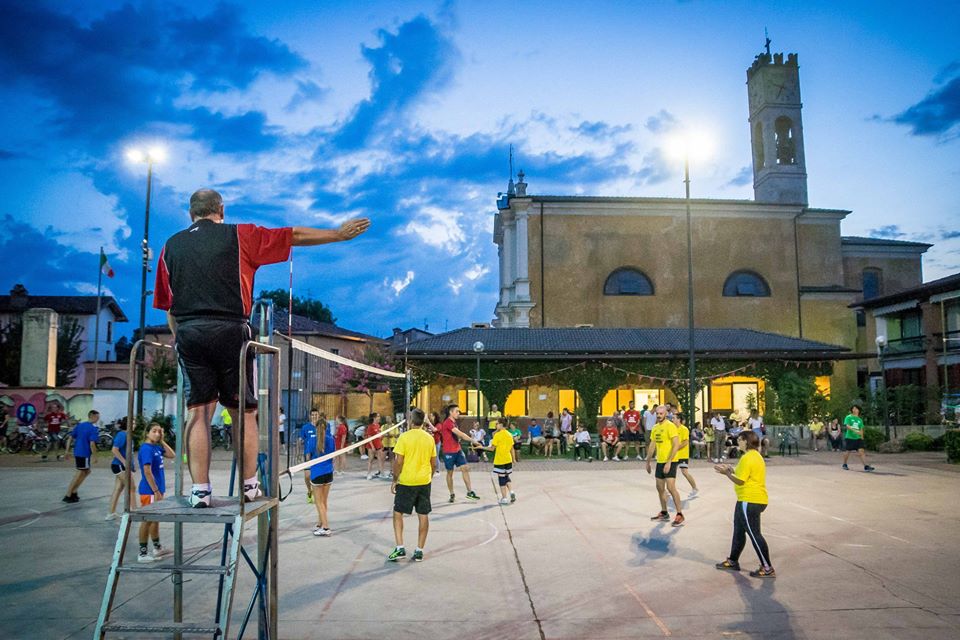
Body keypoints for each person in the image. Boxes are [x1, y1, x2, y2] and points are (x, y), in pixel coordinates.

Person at [153, 188, 369, 508]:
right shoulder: (240, 235)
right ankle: (250, 485)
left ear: (191, 214)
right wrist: (337, 234)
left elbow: (168, 307)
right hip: (230, 329)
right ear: (220, 210)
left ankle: (200, 489)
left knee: (198, 413)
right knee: (244, 412)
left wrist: (182, 342)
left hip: (188, 332)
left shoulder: (170, 246)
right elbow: (292, 234)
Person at [714, 430, 775, 578]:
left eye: (740, 440)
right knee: (739, 530)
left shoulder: (748, 457)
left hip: (750, 500)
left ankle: (767, 567)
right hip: (748, 499)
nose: (738, 442)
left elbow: (740, 480)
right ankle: (733, 560)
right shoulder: (755, 456)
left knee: (754, 534)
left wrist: (727, 474)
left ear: (746, 441)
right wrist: (731, 470)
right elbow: (745, 474)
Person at [388, 409, 436, 562]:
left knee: (398, 513)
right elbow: (433, 463)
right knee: (423, 515)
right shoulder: (429, 438)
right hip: (424, 481)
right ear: (422, 422)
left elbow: (398, 461)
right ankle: (419, 550)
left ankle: (400, 547)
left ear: (410, 420)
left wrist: (395, 479)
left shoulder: (404, 437)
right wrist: (430, 476)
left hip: (407, 481)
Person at [135, 421, 175, 562]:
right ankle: (142, 553)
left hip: (158, 490)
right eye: (154, 431)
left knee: (155, 520)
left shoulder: (156, 447)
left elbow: (172, 454)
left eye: (159, 431)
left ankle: (157, 548)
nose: (157, 434)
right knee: (147, 520)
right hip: (150, 491)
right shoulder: (146, 449)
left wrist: (163, 440)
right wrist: (156, 490)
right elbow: (147, 471)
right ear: (147, 433)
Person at [645, 405, 684, 527]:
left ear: (666, 414)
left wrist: (669, 462)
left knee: (671, 488)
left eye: (661, 413)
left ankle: (679, 514)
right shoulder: (655, 427)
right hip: (660, 462)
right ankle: (664, 512)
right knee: (659, 488)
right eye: (657, 413)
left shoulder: (671, 426)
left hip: (670, 461)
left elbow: (676, 445)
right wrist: (648, 461)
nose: (658, 415)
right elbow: (652, 444)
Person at [438, 404, 480, 502]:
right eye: (457, 411)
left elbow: (457, 435)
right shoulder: (448, 422)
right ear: (451, 412)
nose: (458, 413)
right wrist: (473, 440)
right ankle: (452, 494)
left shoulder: (454, 422)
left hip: (457, 450)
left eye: (458, 411)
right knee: (450, 473)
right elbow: (460, 434)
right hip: (449, 452)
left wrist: (459, 439)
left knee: (465, 468)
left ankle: (469, 492)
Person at [62, 410, 101, 503]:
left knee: (86, 471)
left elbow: (70, 437)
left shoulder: (80, 426)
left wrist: (67, 451)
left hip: (78, 452)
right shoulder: (93, 429)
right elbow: (92, 444)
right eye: (97, 417)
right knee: (80, 473)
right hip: (84, 453)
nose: (98, 419)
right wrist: (95, 456)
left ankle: (74, 491)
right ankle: (68, 494)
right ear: (92, 416)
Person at [474, 420, 517, 505]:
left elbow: (492, 449)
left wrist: (482, 447)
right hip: (508, 459)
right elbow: (512, 448)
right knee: (506, 476)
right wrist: (514, 459)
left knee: (501, 478)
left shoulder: (498, 435)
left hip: (500, 460)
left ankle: (504, 498)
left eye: (497, 424)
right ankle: (511, 491)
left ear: (501, 424)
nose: (496, 425)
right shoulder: (509, 435)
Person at [308, 420, 336, 537]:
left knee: (319, 502)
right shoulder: (331, 440)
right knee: (324, 501)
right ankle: (320, 523)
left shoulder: (311, 440)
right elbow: (333, 457)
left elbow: (308, 457)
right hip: (328, 472)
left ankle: (326, 527)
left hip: (317, 473)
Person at [106, 417, 134, 521]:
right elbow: (114, 450)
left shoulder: (128, 435)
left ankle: (111, 513)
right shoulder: (122, 435)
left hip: (121, 465)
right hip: (119, 465)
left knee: (118, 489)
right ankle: (133, 510)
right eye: (133, 422)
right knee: (132, 486)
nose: (135, 424)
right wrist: (124, 461)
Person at [842, 404, 875, 472]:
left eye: (856, 409)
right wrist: (855, 431)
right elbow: (847, 426)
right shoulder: (848, 417)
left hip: (858, 438)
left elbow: (861, 429)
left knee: (861, 451)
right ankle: (844, 464)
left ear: (859, 410)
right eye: (853, 408)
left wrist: (862, 437)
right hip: (850, 437)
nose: (854, 410)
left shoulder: (860, 419)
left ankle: (866, 466)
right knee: (848, 451)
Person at [674, 415, 699, 498]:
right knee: (670, 472)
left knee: (685, 472)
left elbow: (685, 442)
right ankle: (670, 489)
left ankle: (695, 488)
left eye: (674, 418)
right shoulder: (672, 428)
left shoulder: (684, 429)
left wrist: (676, 448)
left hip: (683, 455)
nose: (672, 419)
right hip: (674, 455)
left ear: (679, 419)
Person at [300, 410, 320, 503]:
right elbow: (301, 439)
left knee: (316, 475)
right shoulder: (305, 427)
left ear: (318, 415)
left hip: (319, 455)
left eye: (316, 415)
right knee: (307, 476)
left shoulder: (323, 426)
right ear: (310, 416)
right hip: (308, 455)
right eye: (313, 415)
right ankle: (309, 491)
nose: (314, 416)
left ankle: (317, 494)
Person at [365, 413, 386, 480]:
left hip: (378, 445)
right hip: (371, 446)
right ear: (374, 418)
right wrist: (372, 446)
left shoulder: (378, 425)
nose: (379, 418)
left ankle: (381, 473)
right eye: (378, 416)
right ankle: (368, 473)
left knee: (380, 459)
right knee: (371, 459)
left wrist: (381, 444)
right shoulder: (370, 426)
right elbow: (369, 437)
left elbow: (379, 436)